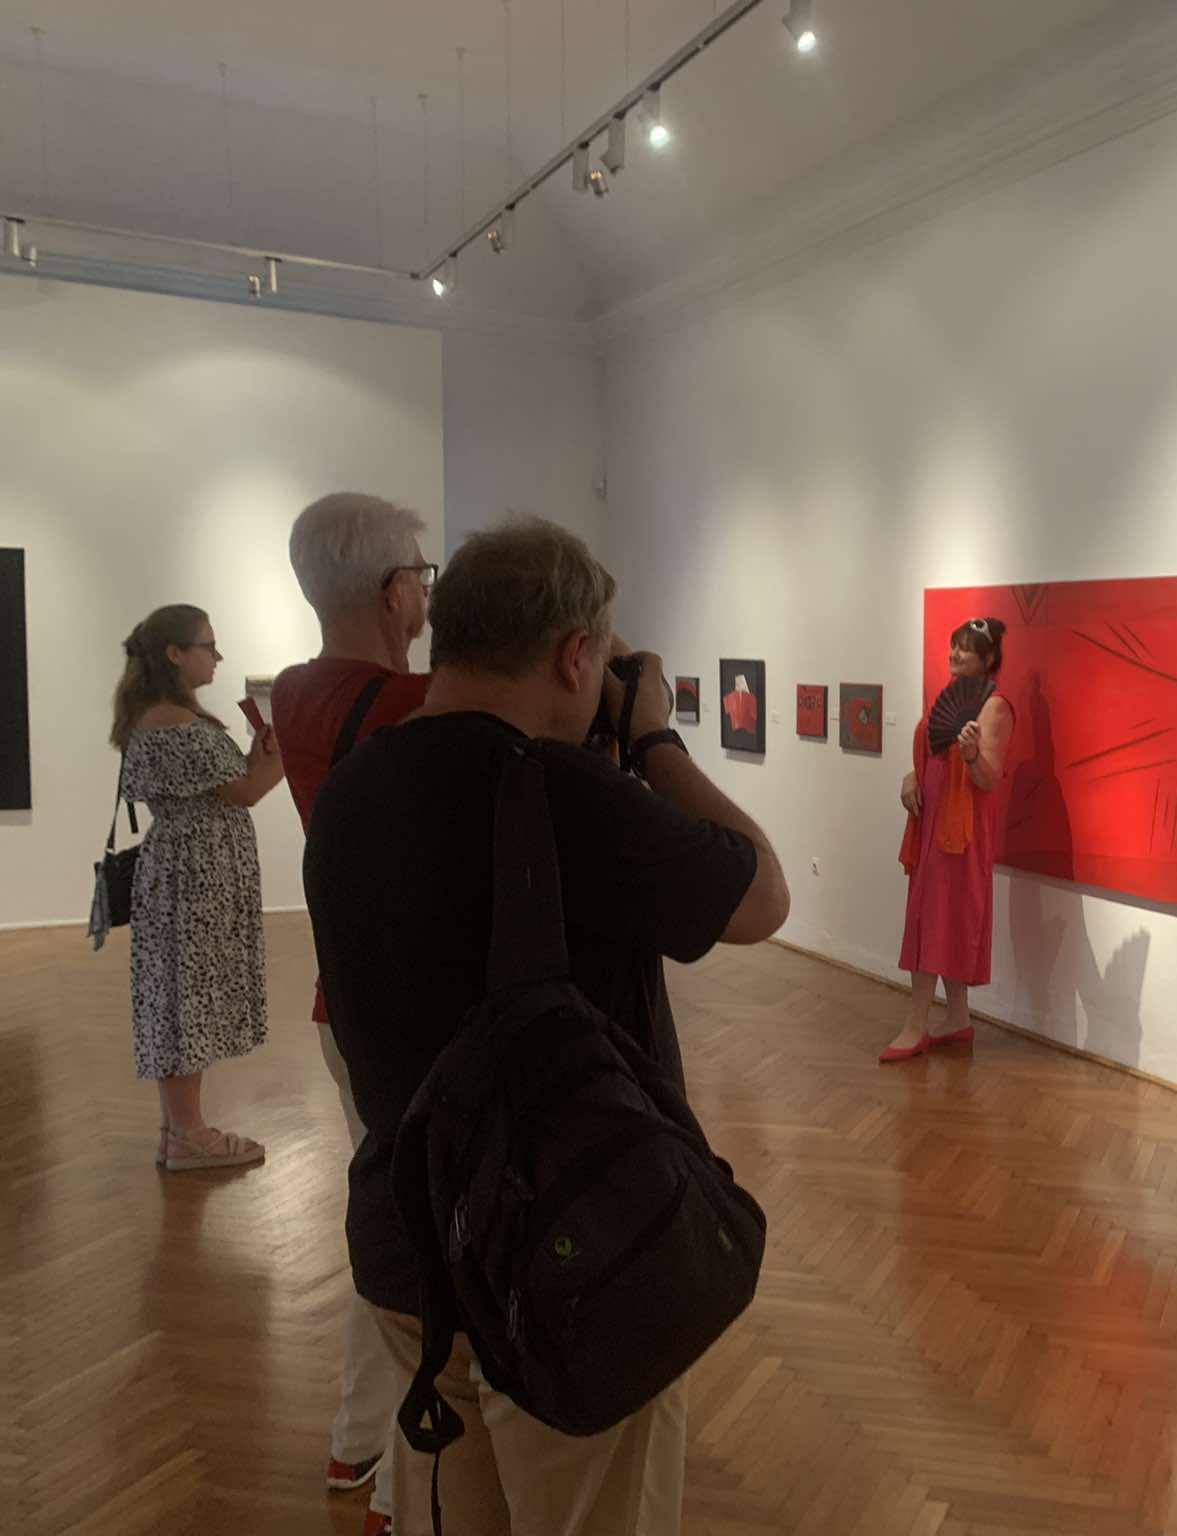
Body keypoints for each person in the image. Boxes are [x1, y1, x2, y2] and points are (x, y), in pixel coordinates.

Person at [304, 516, 789, 1534]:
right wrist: (650, 736)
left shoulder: (352, 788)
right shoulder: (563, 793)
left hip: (410, 1246)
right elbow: (762, 897)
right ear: (575, 655)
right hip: (565, 1256)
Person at [270, 493, 436, 1531]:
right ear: (393, 590)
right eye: (422, 573)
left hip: (347, 1005)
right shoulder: (413, 702)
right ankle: (394, 1489)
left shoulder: (293, 690)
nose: (428, 591)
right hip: (416, 1014)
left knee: (394, 1217)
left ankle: (356, 1439)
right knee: (422, 1243)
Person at [110, 604, 283, 1170]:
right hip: (194, 878)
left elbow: (231, 784)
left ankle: (178, 1129)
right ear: (175, 654)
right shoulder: (175, 723)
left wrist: (257, 759)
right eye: (208, 646)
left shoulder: (162, 715)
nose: (218, 656)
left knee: (181, 994)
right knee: (187, 998)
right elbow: (246, 791)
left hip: (186, 871)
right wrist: (283, 755)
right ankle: (188, 1134)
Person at [885, 617, 1014, 1063]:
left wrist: (972, 754)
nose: (955, 654)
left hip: (960, 830)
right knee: (942, 916)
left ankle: (915, 1025)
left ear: (988, 658)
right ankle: (957, 1017)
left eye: (966, 648)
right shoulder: (949, 695)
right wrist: (911, 776)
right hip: (933, 822)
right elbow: (933, 757)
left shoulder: (995, 708)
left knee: (933, 917)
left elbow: (989, 778)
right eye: (953, 645)